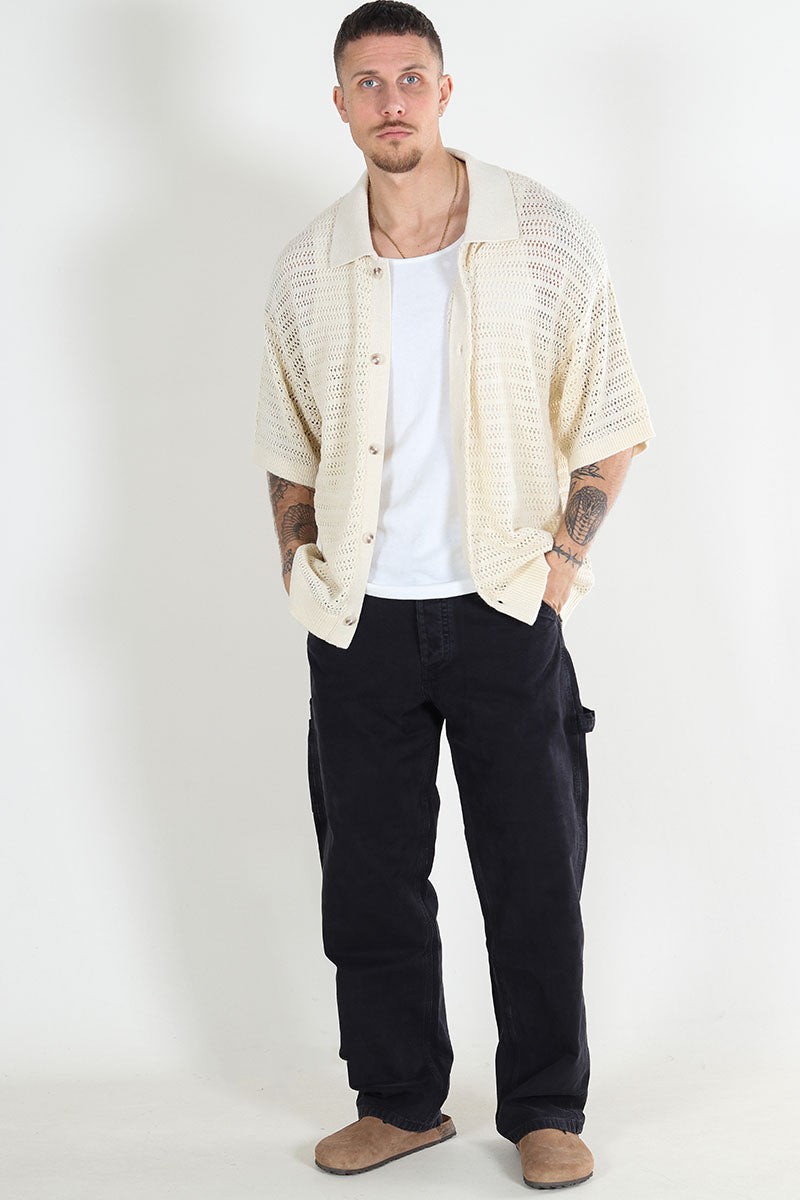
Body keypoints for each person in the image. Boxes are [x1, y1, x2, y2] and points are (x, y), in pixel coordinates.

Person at [253, 1, 656, 1188]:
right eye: (366, 81)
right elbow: (287, 443)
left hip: (502, 605)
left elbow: (611, 417)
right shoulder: (308, 265)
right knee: (368, 877)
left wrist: (557, 574)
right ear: (338, 103)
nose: (390, 100)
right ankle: (398, 1102)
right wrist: (303, 569)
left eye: (410, 76)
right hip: (359, 620)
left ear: (442, 91)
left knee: (531, 870)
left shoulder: (541, 236)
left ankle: (543, 1108)